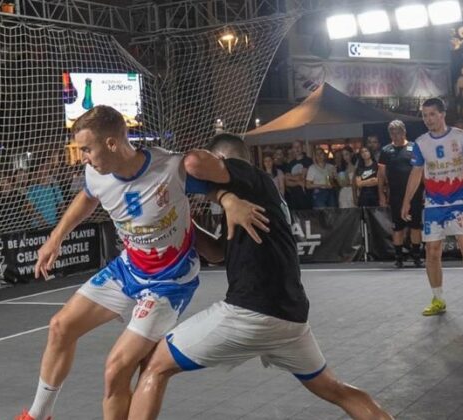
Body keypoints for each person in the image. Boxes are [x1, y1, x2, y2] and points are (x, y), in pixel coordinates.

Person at [15, 106, 259, 420]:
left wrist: (230, 200)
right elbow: (88, 196)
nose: (83, 158)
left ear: (112, 144)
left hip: (169, 283)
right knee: (60, 326)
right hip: (129, 268)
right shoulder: (96, 174)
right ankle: (39, 415)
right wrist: (56, 238)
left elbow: (216, 189)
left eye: (87, 149)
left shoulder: (170, 169)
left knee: (116, 368)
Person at [127, 133, 393, 420]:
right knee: (336, 390)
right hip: (290, 319)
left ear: (222, 160)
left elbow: (193, 163)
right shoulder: (252, 195)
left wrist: (164, 174)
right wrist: (184, 222)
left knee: (153, 364)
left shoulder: (248, 175)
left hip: (250, 311)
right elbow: (217, 253)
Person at [401, 98, 463, 316]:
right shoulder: (421, 142)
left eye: (432, 114)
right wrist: (406, 201)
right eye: (424, 115)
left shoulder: (461, 136)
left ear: (442, 114)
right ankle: (438, 298)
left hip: (460, 201)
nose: (428, 119)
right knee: (432, 252)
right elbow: (416, 173)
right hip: (434, 204)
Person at [378, 120, 423, 268]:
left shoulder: (414, 147)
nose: (395, 136)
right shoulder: (386, 150)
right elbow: (381, 174)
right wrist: (381, 194)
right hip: (396, 195)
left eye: (398, 133)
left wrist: (425, 190)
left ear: (404, 132)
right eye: (392, 133)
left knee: (415, 226)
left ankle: (417, 257)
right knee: (398, 227)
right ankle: (398, 258)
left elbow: (421, 171)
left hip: (414, 194)